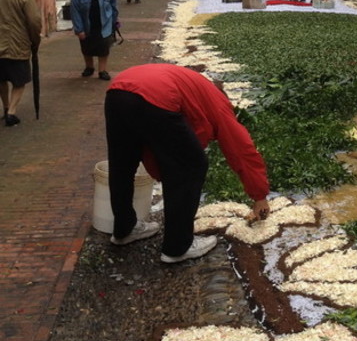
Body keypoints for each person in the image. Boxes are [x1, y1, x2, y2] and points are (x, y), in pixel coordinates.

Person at [104, 63, 271, 263]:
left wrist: (164, 170)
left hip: (117, 92)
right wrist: (259, 195)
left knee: (122, 162)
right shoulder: (218, 104)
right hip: (156, 94)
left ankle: (124, 229)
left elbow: (154, 141)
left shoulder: (195, 88)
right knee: (192, 166)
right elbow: (241, 149)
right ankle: (178, 247)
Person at [0, 0, 42, 127]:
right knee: (19, 80)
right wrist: (35, 39)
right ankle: (11, 112)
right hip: (17, 44)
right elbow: (33, 21)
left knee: (1, 79)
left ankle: (5, 106)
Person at [70, 0, 118, 81]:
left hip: (104, 22)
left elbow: (113, 3)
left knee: (104, 47)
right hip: (87, 23)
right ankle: (89, 67)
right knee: (87, 46)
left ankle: (102, 71)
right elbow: (74, 10)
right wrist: (79, 29)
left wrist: (113, 20)